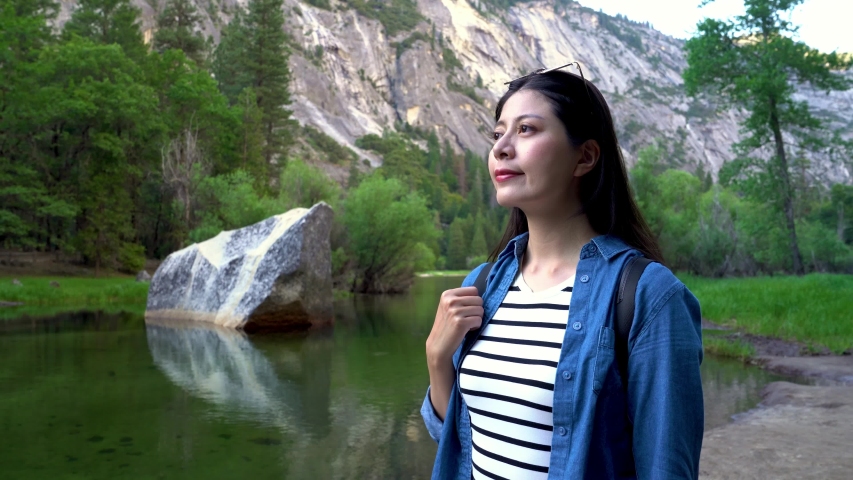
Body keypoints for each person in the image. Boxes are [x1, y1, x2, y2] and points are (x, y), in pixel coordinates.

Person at [420, 63, 704, 480]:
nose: (501, 148)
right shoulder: (482, 285)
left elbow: (666, 468)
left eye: (527, 129)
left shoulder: (647, 296)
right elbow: (458, 439)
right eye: (498, 134)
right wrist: (437, 358)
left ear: (584, 157)